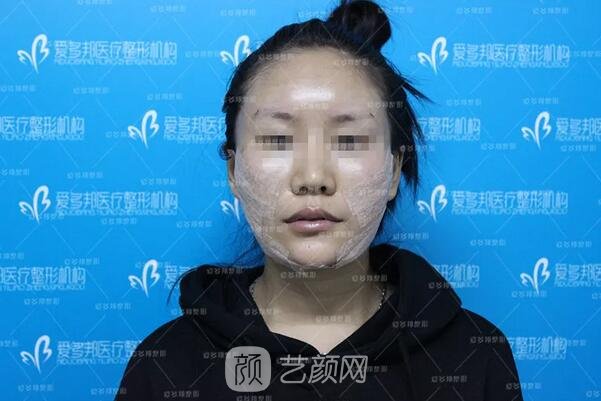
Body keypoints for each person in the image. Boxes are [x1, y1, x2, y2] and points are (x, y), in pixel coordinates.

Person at [114, 1, 524, 400]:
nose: (313, 178)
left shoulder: (474, 355)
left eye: (349, 140)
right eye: (278, 140)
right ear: (233, 172)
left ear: (394, 169)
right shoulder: (166, 367)